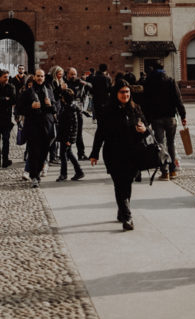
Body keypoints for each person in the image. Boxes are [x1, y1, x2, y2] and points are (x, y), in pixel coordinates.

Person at [90, 79, 148, 230]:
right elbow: (100, 133)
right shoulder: (107, 111)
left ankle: (122, 210)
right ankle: (127, 216)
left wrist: (144, 130)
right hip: (114, 153)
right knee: (119, 184)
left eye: (127, 92)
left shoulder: (136, 109)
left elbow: (146, 128)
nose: (125, 95)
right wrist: (94, 153)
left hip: (132, 153)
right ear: (116, 93)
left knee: (127, 184)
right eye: (122, 92)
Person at [141, 65, 186, 179]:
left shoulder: (149, 82)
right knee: (171, 143)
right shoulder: (170, 81)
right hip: (170, 116)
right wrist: (183, 115)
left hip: (156, 118)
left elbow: (145, 102)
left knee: (160, 144)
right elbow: (178, 98)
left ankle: (164, 171)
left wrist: (146, 119)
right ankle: (172, 170)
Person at [17, 67, 55, 188]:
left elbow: (55, 108)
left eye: (42, 76)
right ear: (34, 77)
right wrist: (31, 107)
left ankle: (37, 172)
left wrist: (50, 105)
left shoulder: (49, 90)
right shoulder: (28, 92)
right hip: (33, 127)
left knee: (44, 153)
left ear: (44, 78)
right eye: (38, 76)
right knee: (34, 153)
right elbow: (19, 109)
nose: (40, 78)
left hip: (46, 126)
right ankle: (34, 176)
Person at [56, 88, 84, 181]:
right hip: (66, 136)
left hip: (66, 136)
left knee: (64, 155)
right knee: (68, 153)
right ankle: (78, 171)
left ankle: (64, 174)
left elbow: (70, 126)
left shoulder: (69, 109)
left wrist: (68, 139)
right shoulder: (70, 107)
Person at [66, 67, 90, 159]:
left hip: (78, 111)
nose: (73, 76)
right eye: (71, 74)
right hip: (68, 112)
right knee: (68, 133)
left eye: (75, 74)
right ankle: (68, 154)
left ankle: (81, 153)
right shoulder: (65, 83)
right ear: (67, 74)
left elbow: (91, 86)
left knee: (79, 133)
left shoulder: (79, 82)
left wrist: (85, 83)